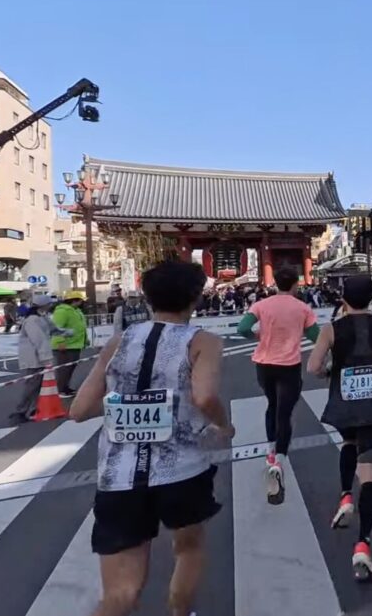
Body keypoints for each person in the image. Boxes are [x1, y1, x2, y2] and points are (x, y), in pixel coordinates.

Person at [69, 261, 233, 616]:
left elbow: (79, 409)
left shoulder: (119, 342)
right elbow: (204, 397)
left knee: (122, 591)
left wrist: (128, 402)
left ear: (147, 297)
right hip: (183, 469)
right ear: (195, 299)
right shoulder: (203, 341)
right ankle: (180, 612)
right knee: (188, 548)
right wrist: (224, 426)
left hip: (119, 474)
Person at [307, 275, 372, 583]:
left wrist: (329, 372)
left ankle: (346, 496)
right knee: (370, 469)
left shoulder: (331, 329)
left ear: (344, 299)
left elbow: (313, 367)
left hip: (343, 403)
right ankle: (363, 543)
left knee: (348, 442)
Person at [236, 266, 320, 505]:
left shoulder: (262, 305)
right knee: (285, 412)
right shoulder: (302, 308)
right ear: (295, 284)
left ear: (275, 284)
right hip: (289, 365)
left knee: (272, 405)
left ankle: (270, 450)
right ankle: (279, 460)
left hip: (264, 364)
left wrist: (257, 337)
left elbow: (242, 328)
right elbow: (316, 336)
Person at [10, 294, 56, 424]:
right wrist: (46, 357)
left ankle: (32, 409)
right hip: (34, 358)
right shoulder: (32, 320)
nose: (51, 305)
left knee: (38, 385)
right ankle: (21, 411)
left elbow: (52, 329)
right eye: (49, 303)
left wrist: (64, 332)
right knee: (32, 385)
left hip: (38, 357)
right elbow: (39, 340)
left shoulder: (41, 317)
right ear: (44, 305)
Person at [52, 290, 88, 397]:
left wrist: (85, 340)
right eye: (81, 301)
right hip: (65, 345)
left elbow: (80, 327)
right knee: (64, 369)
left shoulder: (76, 311)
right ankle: (61, 389)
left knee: (70, 368)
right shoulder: (62, 311)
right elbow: (57, 327)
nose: (82, 303)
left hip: (74, 344)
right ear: (75, 301)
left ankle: (65, 387)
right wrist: (60, 342)